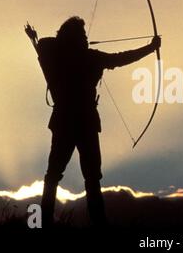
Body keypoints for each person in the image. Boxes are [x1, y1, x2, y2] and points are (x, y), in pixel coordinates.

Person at [24, 16, 161, 227]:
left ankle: (43, 223)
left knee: (55, 176)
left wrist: (64, 41)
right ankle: (98, 224)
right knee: (90, 178)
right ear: (76, 38)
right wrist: (151, 48)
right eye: (83, 35)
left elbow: (44, 43)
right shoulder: (90, 58)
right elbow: (121, 58)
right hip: (85, 122)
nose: (87, 38)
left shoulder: (52, 54)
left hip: (64, 122)